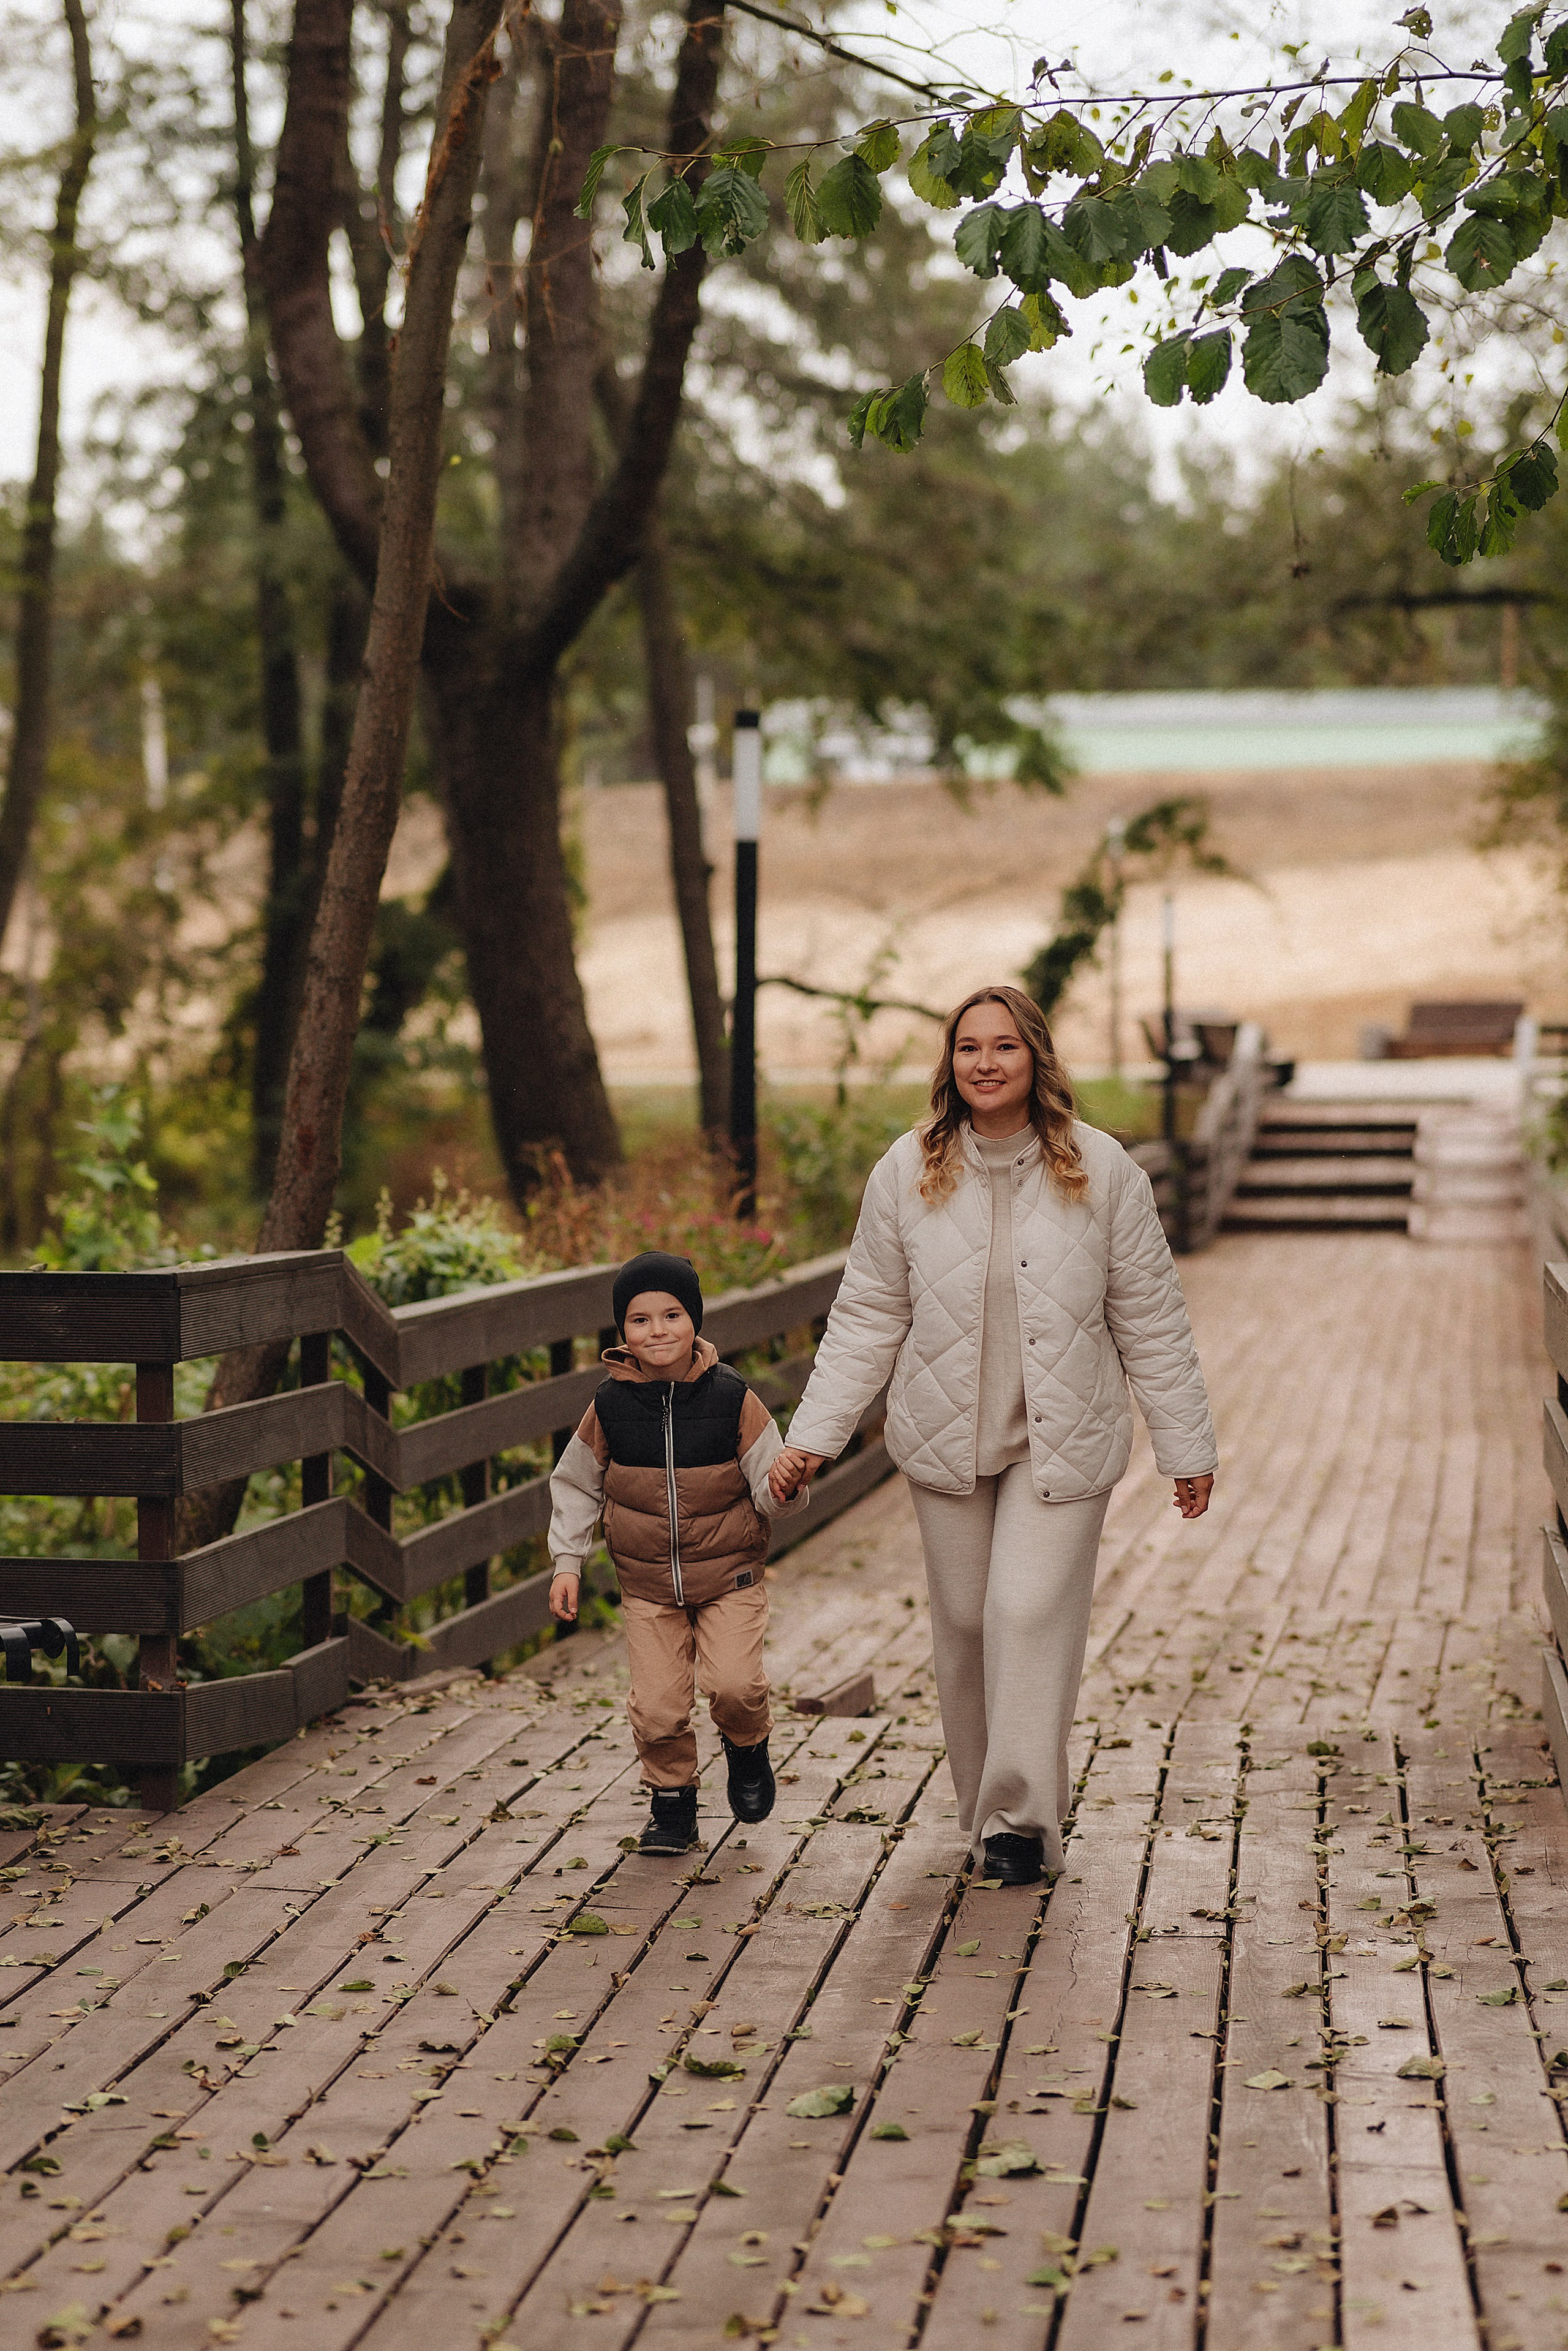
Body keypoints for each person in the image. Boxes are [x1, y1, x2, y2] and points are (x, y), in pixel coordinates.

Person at [770, 985, 1216, 1888]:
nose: (985, 1062)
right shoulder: (908, 1169)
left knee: (1024, 1611)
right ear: (951, 1064)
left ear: (1035, 1059)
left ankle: (1019, 1820)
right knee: (968, 1625)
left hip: (1067, 1442)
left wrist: (1187, 1445)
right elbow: (866, 1315)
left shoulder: (1102, 1170)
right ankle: (987, 1810)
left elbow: (1152, 1318)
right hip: (945, 1444)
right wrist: (811, 1436)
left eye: (1004, 1046)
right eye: (968, 1047)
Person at [548, 1248, 807, 1855]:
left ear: (694, 1321)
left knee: (735, 1686)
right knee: (659, 1707)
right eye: (640, 1320)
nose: (657, 1330)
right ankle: (672, 1805)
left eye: (671, 1315)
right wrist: (568, 1562)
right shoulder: (609, 1406)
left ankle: (746, 1749)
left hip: (730, 1576)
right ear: (622, 1333)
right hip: (646, 1586)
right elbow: (576, 1484)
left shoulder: (732, 1397)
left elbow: (772, 1491)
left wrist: (786, 1487)